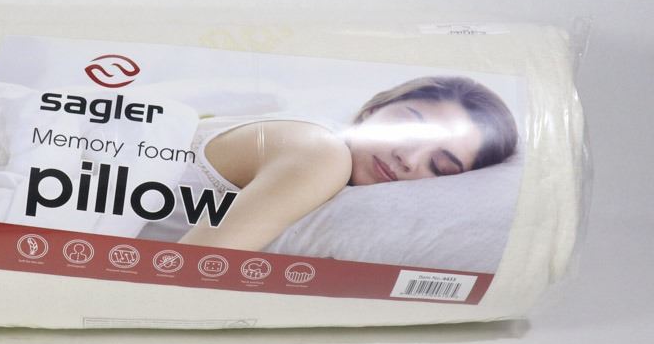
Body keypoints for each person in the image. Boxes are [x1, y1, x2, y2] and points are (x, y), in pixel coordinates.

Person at [175, 76, 518, 251]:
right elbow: (188, 271)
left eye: (440, 167)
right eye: (407, 128)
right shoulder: (322, 154)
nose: (409, 158)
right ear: (372, 111)